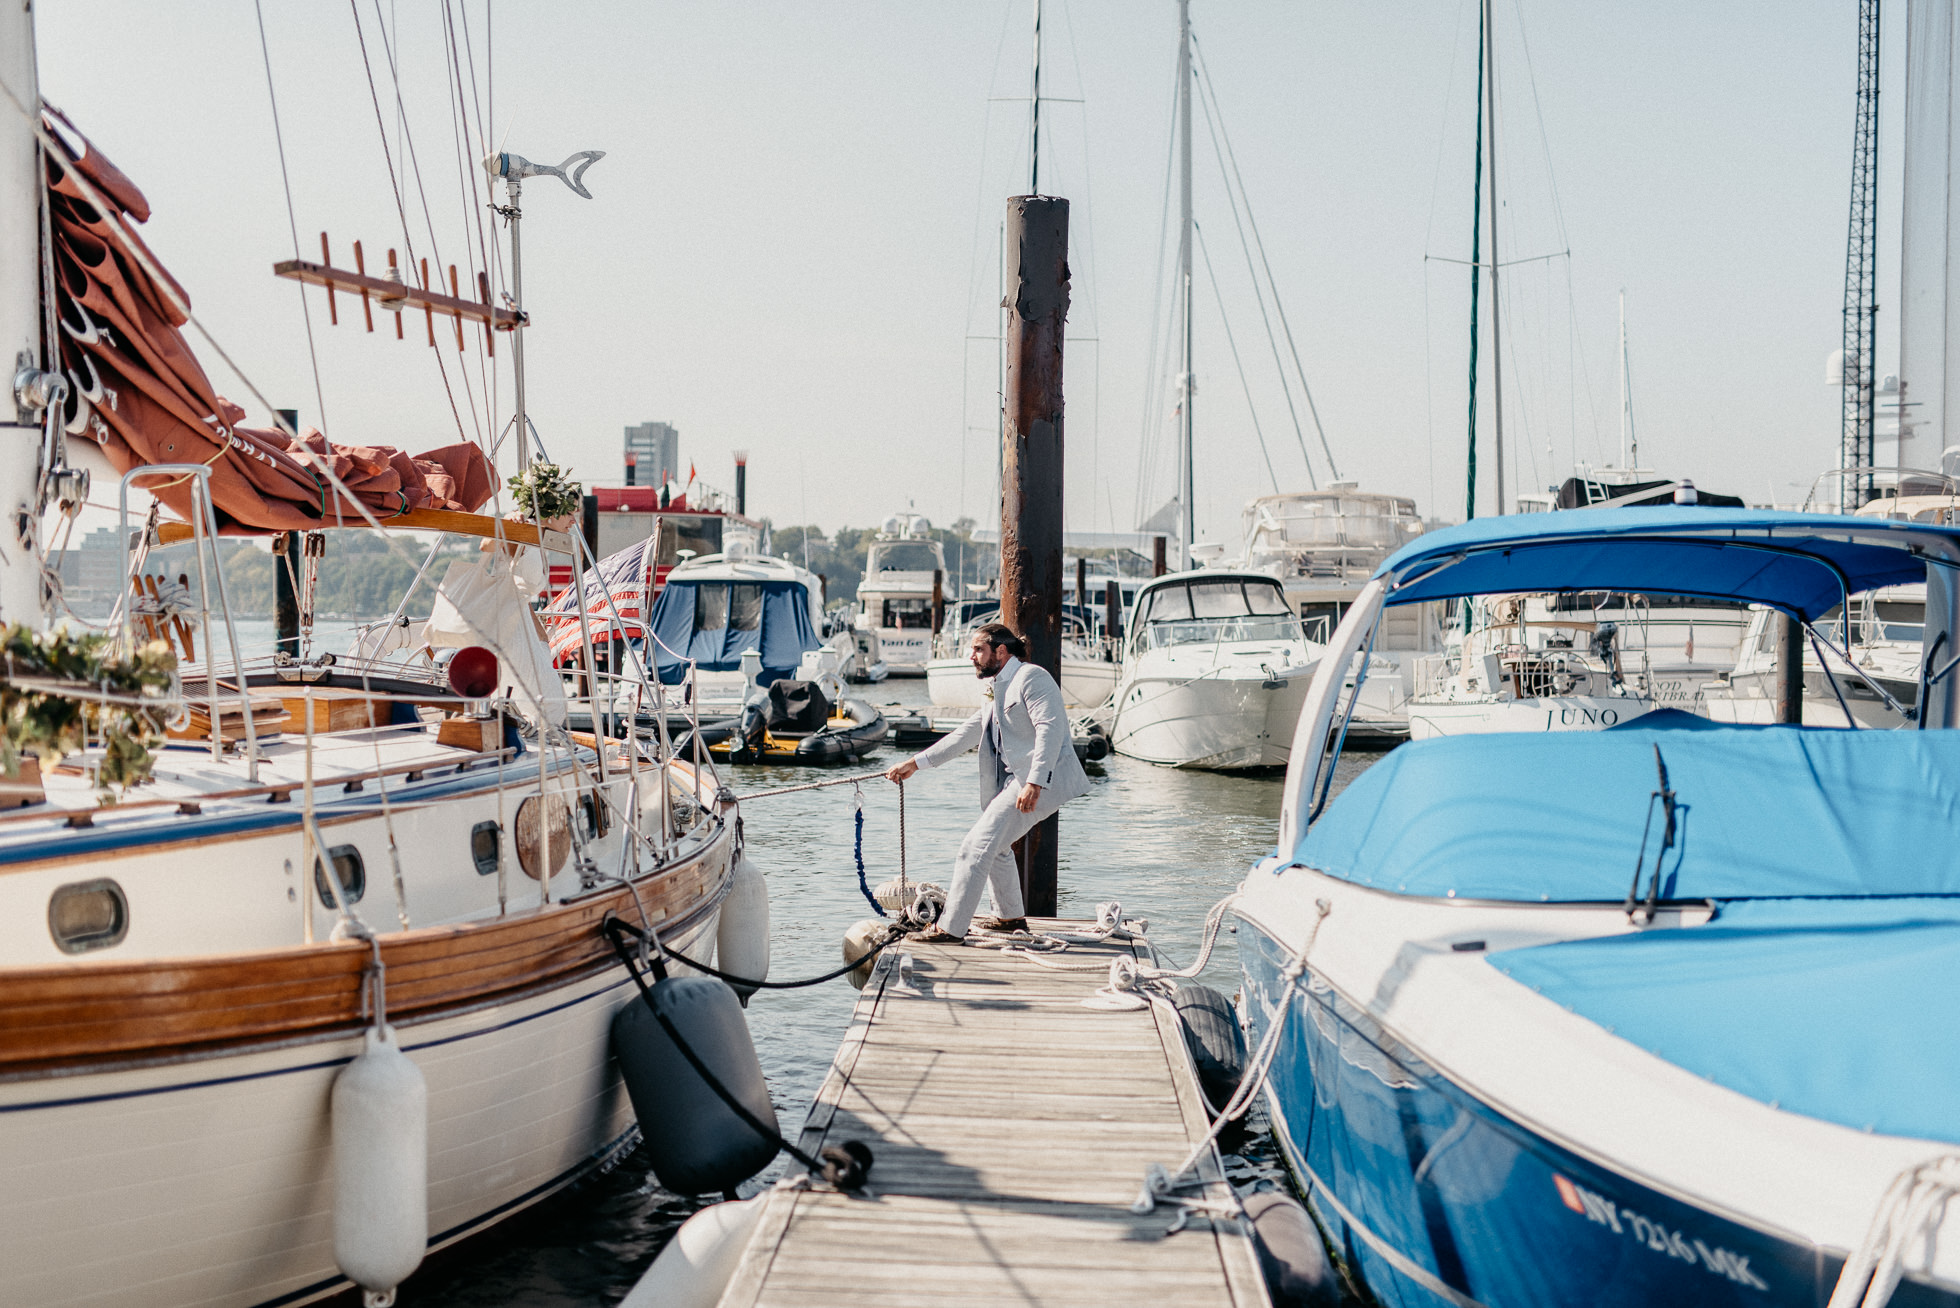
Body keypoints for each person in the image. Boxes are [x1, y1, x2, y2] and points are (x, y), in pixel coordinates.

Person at [884, 621, 1091, 942]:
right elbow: (966, 733)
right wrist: (916, 763)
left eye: (978, 649)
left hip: (1037, 782)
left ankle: (949, 928)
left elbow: (1050, 729)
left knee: (974, 849)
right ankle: (1010, 919)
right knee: (996, 849)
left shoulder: (1032, 678)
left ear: (1001, 651)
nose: (972, 656)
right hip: (1016, 783)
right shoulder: (996, 687)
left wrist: (1035, 782)